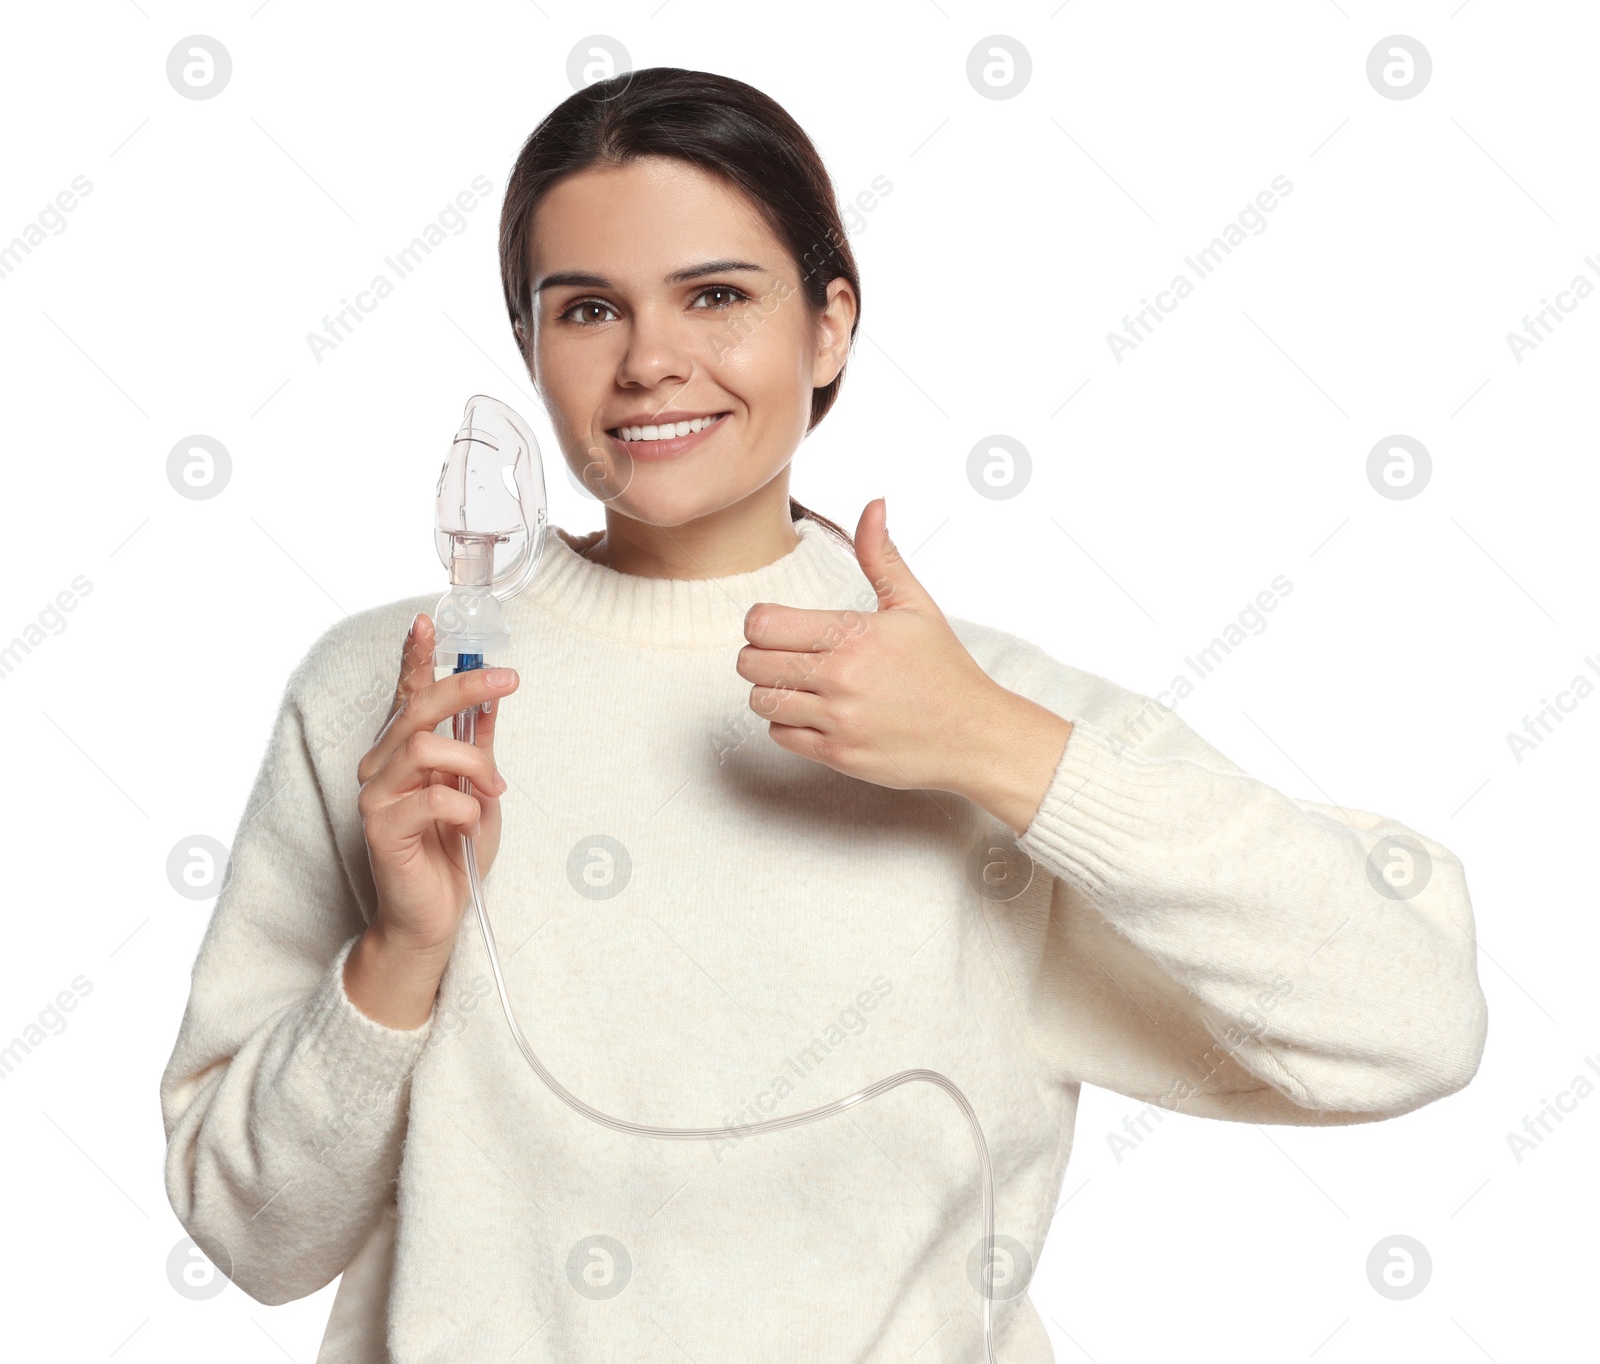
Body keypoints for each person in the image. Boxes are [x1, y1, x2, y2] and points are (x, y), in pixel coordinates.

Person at [160, 67, 1488, 1363]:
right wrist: (399, 955)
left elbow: (1414, 1021)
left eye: (717, 296)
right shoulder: (394, 698)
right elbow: (251, 1236)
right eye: (586, 312)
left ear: (832, 325)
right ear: (528, 347)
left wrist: (992, 747)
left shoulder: (976, 710)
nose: (651, 363)